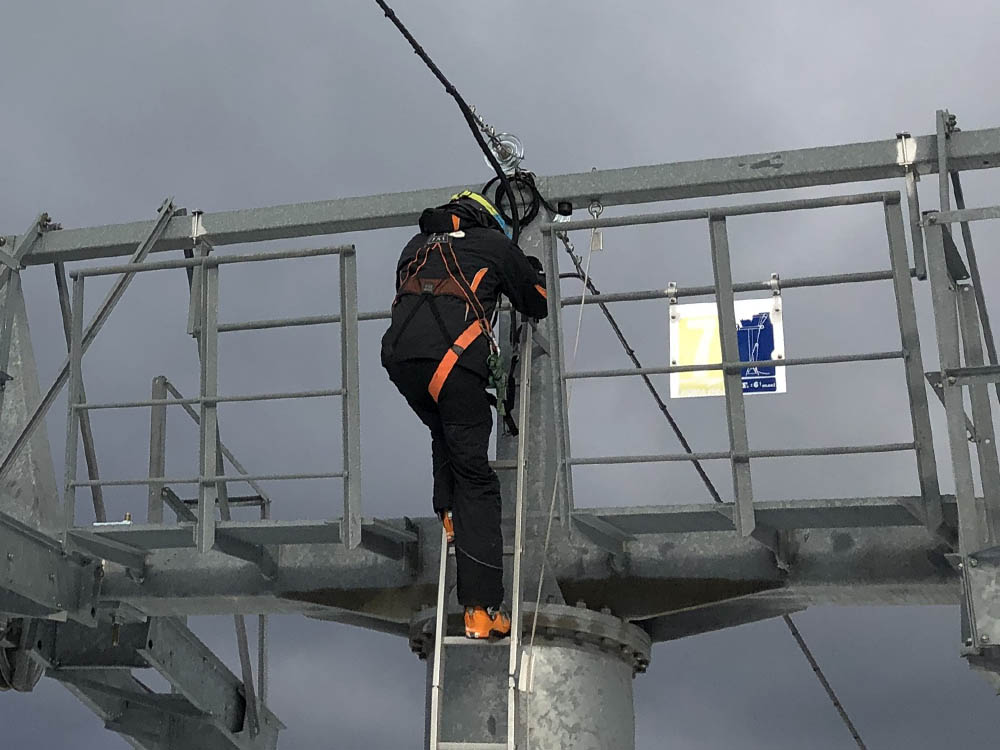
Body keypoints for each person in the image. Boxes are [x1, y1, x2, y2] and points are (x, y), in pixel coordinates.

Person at [381, 190, 548, 639]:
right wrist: (529, 271)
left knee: (446, 428)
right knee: (477, 477)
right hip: (453, 366)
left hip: (402, 363)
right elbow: (537, 302)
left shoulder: (414, 249)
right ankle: (481, 609)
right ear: (484, 219)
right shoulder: (492, 244)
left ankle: (448, 511)